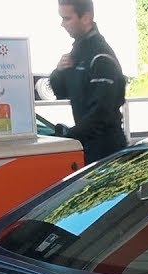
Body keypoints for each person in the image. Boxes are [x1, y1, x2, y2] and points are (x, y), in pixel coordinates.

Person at [49, 0, 128, 163]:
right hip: (88, 145)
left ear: (85, 18)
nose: (62, 24)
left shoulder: (101, 56)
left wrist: (68, 136)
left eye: (67, 18)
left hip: (107, 149)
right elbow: (61, 92)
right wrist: (58, 72)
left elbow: (101, 113)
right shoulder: (78, 51)